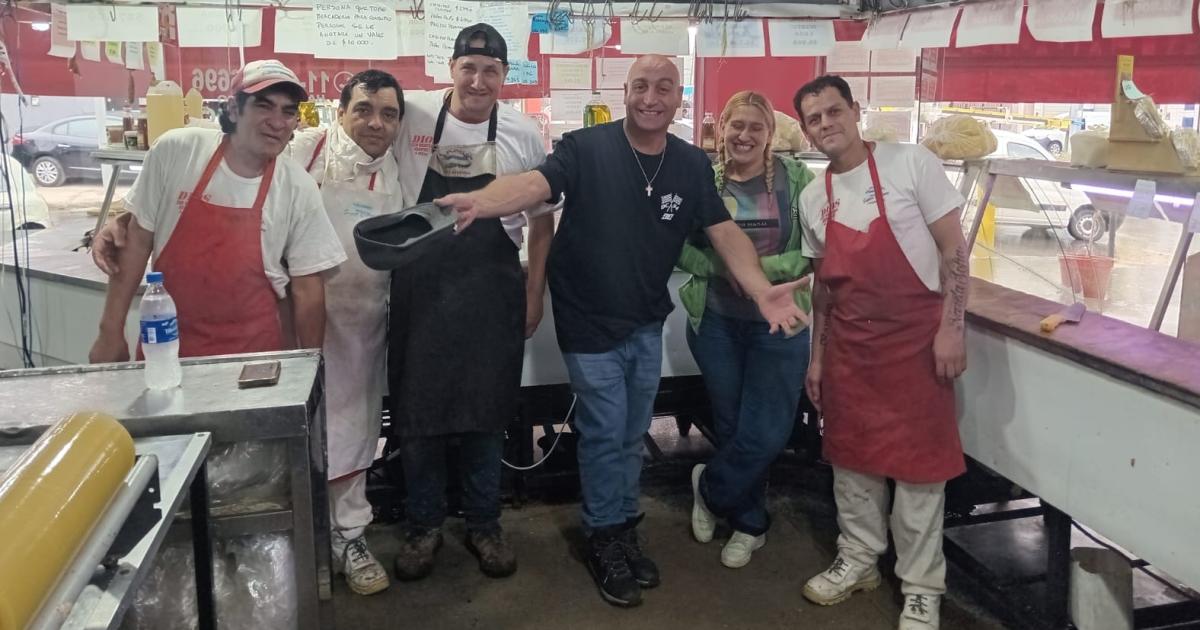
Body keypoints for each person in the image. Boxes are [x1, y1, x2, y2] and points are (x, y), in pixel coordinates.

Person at [437, 54, 808, 608]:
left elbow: (725, 232)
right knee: (607, 430)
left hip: (644, 319)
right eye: (640, 86)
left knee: (632, 435)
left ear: (678, 96)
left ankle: (619, 524)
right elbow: (534, 185)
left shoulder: (686, 164)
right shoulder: (587, 148)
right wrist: (480, 201)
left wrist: (759, 289)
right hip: (588, 317)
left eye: (663, 87)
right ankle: (604, 534)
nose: (651, 98)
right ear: (625, 91)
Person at [793, 75, 969, 630]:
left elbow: (954, 251)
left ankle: (921, 588)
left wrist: (953, 328)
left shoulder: (910, 163)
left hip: (917, 344)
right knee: (851, 465)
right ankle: (859, 560)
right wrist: (817, 359)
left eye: (834, 111)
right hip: (848, 349)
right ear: (805, 129)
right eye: (814, 118)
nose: (826, 124)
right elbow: (822, 290)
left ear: (855, 110)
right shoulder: (810, 197)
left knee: (920, 476)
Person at [384, 24, 555, 583]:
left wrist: (535, 293)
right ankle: (423, 525)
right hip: (421, 284)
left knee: (487, 411)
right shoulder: (410, 114)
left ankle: (485, 522)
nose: (478, 81)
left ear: (505, 76)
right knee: (417, 413)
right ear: (451, 69)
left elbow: (541, 220)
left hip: (492, 285)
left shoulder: (524, 134)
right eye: (469, 68)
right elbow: (349, 139)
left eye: (491, 71)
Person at [89, 59, 345, 364]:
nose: (277, 122)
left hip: (257, 360)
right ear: (234, 110)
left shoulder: (297, 186)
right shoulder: (177, 152)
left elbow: (307, 291)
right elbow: (136, 244)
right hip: (168, 352)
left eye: (288, 111)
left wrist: (310, 366)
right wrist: (110, 331)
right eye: (263, 106)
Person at [676, 91, 814, 569]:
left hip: (780, 326)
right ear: (721, 131)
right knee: (734, 426)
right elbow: (680, 250)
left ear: (770, 135)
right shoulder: (703, 181)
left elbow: (815, 252)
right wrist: (722, 268)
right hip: (716, 323)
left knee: (768, 431)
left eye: (756, 127)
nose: (745, 135)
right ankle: (749, 523)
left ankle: (709, 489)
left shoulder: (797, 181)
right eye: (737, 125)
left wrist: (758, 271)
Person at [288, 69, 404, 596]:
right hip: (298, 322)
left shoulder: (400, 174)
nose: (375, 123)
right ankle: (300, 540)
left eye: (388, 113)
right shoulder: (304, 152)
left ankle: (350, 536)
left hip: (363, 325)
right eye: (363, 110)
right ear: (340, 113)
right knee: (299, 432)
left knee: (356, 429)